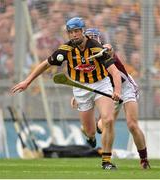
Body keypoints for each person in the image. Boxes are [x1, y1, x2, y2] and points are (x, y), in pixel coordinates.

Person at [10, 17, 122, 170]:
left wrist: (116, 91)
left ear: (83, 31)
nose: (74, 35)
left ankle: (106, 161)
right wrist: (27, 81)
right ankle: (90, 132)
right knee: (90, 132)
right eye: (71, 32)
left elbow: (115, 73)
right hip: (80, 88)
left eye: (77, 31)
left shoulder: (96, 48)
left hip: (101, 84)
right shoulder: (66, 50)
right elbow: (45, 64)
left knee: (108, 120)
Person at [71, 28, 150, 169]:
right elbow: (86, 78)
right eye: (89, 38)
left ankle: (144, 159)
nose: (92, 41)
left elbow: (109, 49)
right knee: (104, 125)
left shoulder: (104, 49)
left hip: (125, 88)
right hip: (108, 90)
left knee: (132, 124)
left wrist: (106, 49)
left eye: (95, 38)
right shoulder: (86, 58)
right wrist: (76, 95)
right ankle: (93, 130)